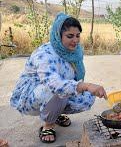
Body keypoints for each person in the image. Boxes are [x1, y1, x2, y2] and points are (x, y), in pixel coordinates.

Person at [10, 13, 106, 143]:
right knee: (59, 90)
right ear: (58, 35)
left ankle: (55, 114)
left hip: (57, 92)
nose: (75, 40)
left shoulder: (74, 51)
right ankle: (48, 125)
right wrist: (86, 85)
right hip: (33, 95)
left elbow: (72, 79)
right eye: (70, 36)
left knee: (86, 98)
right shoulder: (44, 54)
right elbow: (54, 84)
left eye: (78, 36)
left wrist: (85, 88)